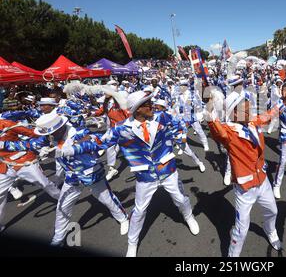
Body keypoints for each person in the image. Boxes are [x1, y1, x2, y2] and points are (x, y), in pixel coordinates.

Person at [63, 91, 200, 257]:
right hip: (145, 176)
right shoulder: (121, 129)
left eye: (151, 102)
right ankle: (132, 243)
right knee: (140, 211)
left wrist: (180, 137)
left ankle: (189, 216)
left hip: (167, 170)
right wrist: (73, 148)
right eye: (147, 104)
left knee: (180, 198)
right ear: (137, 109)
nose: (152, 105)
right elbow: (100, 143)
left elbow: (178, 125)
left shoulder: (162, 116)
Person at [0, 112, 129, 245]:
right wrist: (4, 146)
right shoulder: (49, 138)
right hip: (71, 177)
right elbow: (29, 144)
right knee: (62, 207)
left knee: (107, 199)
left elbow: (93, 144)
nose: (49, 137)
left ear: (60, 128)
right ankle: (58, 238)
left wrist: (61, 152)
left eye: (52, 133)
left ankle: (123, 218)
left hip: (91, 174)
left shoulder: (79, 132)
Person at [206, 92, 281, 257]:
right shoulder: (229, 132)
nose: (249, 111)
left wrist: (282, 102)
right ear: (234, 113)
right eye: (244, 109)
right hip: (245, 188)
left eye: (249, 106)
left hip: (263, 180)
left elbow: (267, 115)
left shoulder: (252, 121)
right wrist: (210, 107)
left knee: (273, 211)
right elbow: (216, 129)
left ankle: (271, 231)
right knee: (241, 229)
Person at [0, 119, 60, 233]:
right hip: (4, 166)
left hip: (23, 161)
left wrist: (42, 143)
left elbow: (32, 133)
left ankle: (63, 199)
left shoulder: (6, 124)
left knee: (44, 183)